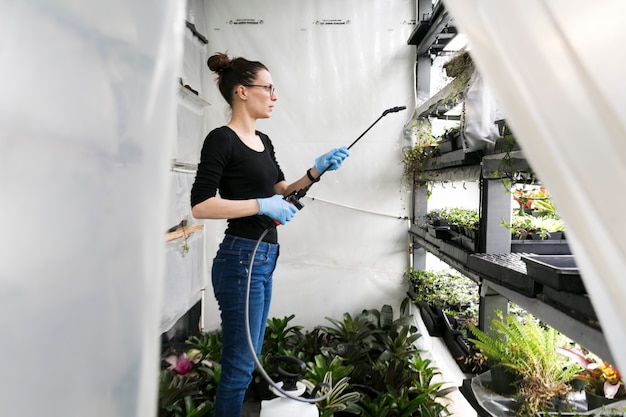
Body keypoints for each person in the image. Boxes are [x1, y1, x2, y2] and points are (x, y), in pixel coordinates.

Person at [190, 52, 350, 417]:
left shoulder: (264, 141)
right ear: (243, 92)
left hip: (262, 258)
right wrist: (261, 207)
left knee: (246, 363)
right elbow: (201, 205)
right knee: (239, 368)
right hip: (240, 259)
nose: (275, 96)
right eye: (269, 88)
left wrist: (315, 171)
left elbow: (283, 193)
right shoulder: (222, 139)